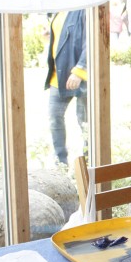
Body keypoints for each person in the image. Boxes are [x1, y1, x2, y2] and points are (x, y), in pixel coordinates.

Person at [45, 9, 88, 167]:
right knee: (54, 117)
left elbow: (91, 41)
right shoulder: (59, 8)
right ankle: (61, 163)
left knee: (85, 123)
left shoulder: (83, 8)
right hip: (59, 76)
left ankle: (89, 164)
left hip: (80, 77)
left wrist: (80, 70)